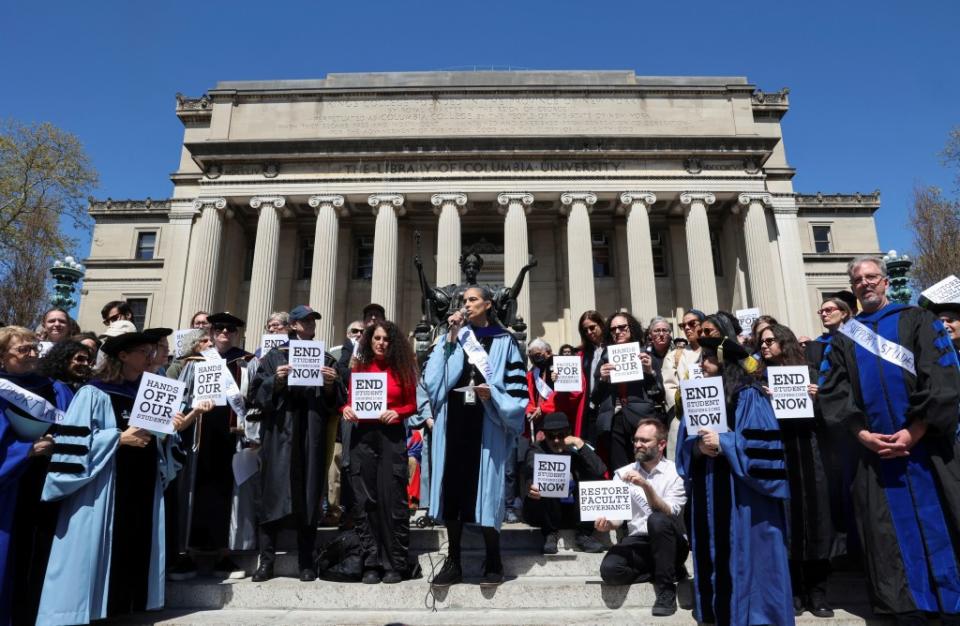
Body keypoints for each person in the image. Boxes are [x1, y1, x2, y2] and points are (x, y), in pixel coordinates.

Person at [819, 256, 960, 625]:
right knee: (886, 532)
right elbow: (835, 393)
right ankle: (906, 605)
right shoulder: (844, 339)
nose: (865, 283)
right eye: (858, 280)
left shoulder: (918, 321)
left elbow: (942, 380)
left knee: (940, 519)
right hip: (876, 455)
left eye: (871, 277)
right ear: (854, 288)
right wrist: (862, 434)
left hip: (927, 451)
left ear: (884, 282)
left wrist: (915, 430)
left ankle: (951, 601)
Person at [36, 328, 200, 624]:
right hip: (104, 485)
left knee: (137, 538)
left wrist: (173, 428)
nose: (150, 356)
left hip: (143, 479)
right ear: (122, 355)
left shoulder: (149, 393)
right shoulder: (94, 393)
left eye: (152, 351)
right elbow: (73, 442)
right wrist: (118, 439)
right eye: (143, 352)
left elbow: (164, 442)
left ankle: (125, 603)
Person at [676, 335, 794, 626]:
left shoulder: (749, 394)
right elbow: (685, 444)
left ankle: (753, 615)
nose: (701, 364)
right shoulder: (699, 396)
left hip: (743, 496)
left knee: (745, 558)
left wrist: (725, 442)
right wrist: (697, 448)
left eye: (708, 358)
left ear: (725, 363)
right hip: (708, 487)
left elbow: (764, 448)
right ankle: (715, 609)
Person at [423, 286, 528, 587]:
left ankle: (493, 559)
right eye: (463, 301)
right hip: (452, 421)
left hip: (487, 422)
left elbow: (517, 388)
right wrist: (452, 339)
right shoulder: (450, 338)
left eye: (472, 300)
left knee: (489, 492)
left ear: (488, 304)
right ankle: (453, 560)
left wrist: (493, 394)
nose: (466, 305)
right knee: (452, 490)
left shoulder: (505, 340)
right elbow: (432, 383)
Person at [251, 305, 344, 583]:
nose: (310, 324)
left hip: (311, 433)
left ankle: (306, 560)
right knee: (273, 492)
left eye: (313, 320)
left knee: (308, 492)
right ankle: (266, 561)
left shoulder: (325, 358)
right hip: (281, 433)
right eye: (304, 321)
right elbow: (255, 394)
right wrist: (276, 380)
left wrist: (330, 384)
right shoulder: (275, 357)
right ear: (292, 325)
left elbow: (337, 400)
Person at [757, 323, 835, 617]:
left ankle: (818, 591)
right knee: (787, 522)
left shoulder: (810, 373)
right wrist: (764, 399)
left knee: (816, 519)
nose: (764, 346)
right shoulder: (759, 378)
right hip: (779, 455)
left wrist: (817, 398)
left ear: (785, 342)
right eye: (761, 342)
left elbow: (830, 418)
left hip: (809, 451)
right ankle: (795, 591)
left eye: (770, 341)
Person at [0, 327, 72, 625]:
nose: (32, 354)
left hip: (48, 483)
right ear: (2, 357)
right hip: (10, 488)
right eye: (23, 350)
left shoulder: (54, 388)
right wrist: (25, 451)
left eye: (34, 348)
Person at [164, 320, 245, 581]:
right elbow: (181, 399)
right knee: (193, 492)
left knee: (226, 494)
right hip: (197, 437)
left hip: (230, 437)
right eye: (218, 329)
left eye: (229, 329)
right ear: (209, 333)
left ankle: (223, 554)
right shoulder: (193, 364)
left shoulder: (244, 363)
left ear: (236, 334)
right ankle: (187, 554)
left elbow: (248, 400)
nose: (223, 333)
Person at [341, 320, 418, 584]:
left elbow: (411, 404)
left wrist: (398, 412)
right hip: (363, 437)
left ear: (392, 342)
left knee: (392, 498)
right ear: (369, 341)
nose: (381, 343)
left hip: (391, 436)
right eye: (377, 339)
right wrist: (346, 410)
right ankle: (371, 562)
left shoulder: (403, 369)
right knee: (366, 500)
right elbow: (350, 402)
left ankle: (394, 563)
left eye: (386, 339)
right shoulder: (360, 368)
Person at [597, 418, 688, 617]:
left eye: (645, 441)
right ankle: (663, 570)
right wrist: (607, 525)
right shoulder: (622, 474)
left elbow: (669, 512)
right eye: (636, 439)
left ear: (662, 444)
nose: (638, 444)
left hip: (671, 542)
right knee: (610, 571)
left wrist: (646, 486)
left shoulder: (676, 473)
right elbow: (617, 518)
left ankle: (666, 590)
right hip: (638, 541)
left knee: (656, 520)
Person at [522, 412, 606, 554]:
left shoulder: (579, 448)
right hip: (544, 511)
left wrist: (579, 444)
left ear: (569, 434)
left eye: (561, 435)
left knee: (592, 478)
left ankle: (583, 535)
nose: (555, 440)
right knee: (548, 478)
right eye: (551, 436)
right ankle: (550, 534)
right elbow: (531, 468)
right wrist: (531, 486)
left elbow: (599, 470)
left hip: (573, 512)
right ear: (544, 435)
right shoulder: (537, 449)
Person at [595, 312, 663, 471]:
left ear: (631, 328)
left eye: (621, 327)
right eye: (613, 329)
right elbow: (595, 398)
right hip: (614, 421)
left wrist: (649, 372)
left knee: (645, 467)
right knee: (620, 470)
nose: (617, 332)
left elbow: (658, 394)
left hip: (641, 419)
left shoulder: (645, 355)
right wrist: (602, 380)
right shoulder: (605, 358)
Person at [661, 309, 705, 457]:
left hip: (710, 414)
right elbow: (669, 386)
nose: (687, 328)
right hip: (682, 417)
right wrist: (683, 404)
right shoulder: (674, 356)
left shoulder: (714, 352)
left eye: (692, 324)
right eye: (683, 325)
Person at [577, 310, 607, 442]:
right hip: (589, 408)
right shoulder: (582, 354)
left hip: (609, 405)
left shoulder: (614, 348)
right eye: (585, 330)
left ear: (601, 325)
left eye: (592, 327)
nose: (589, 332)